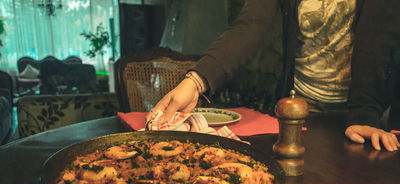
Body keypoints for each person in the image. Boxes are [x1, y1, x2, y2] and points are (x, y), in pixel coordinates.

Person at [147, 0, 400, 151]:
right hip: (299, 108)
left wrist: (365, 113)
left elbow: (380, 40)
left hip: (359, 116)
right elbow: (249, 26)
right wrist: (196, 81)